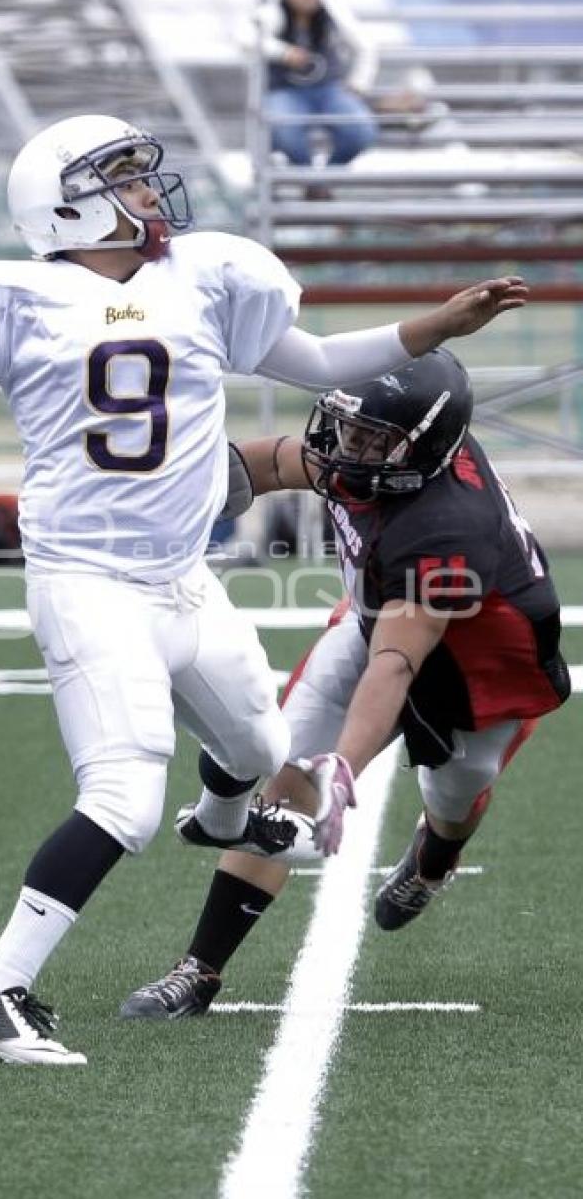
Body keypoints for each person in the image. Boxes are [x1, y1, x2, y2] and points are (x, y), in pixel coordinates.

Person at [0, 111, 528, 1064]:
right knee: (123, 794)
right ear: (70, 204)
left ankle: (214, 820)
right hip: (89, 579)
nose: (145, 192)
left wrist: (438, 326)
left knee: (260, 742)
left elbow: (324, 361)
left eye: (137, 173)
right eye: (122, 177)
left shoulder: (203, 276)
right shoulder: (16, 300)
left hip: (182, 575)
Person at [121, 349, 570, 1019]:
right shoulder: (380, 452)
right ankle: (200, 967)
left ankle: (432, 862)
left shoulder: (447, 523)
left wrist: (344, 766)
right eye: (346, 427)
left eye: (370, 438)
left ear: (424, 447)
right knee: (284, 784)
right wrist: (161, 497)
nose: (346, 447)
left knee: (454, 797)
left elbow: (397, 662)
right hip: (377, 624)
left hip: (479, 679)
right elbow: (272, 462)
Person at [259, 0, 378, 173]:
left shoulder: (332, 14)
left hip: (329, 90)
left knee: (362, 132)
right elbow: (245, 37)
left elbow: (366, 45)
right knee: (282, 127)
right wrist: (284, 53)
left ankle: (322, 179)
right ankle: (310, 178)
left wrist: (360, 83)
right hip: (285, 91)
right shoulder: (272, 14)